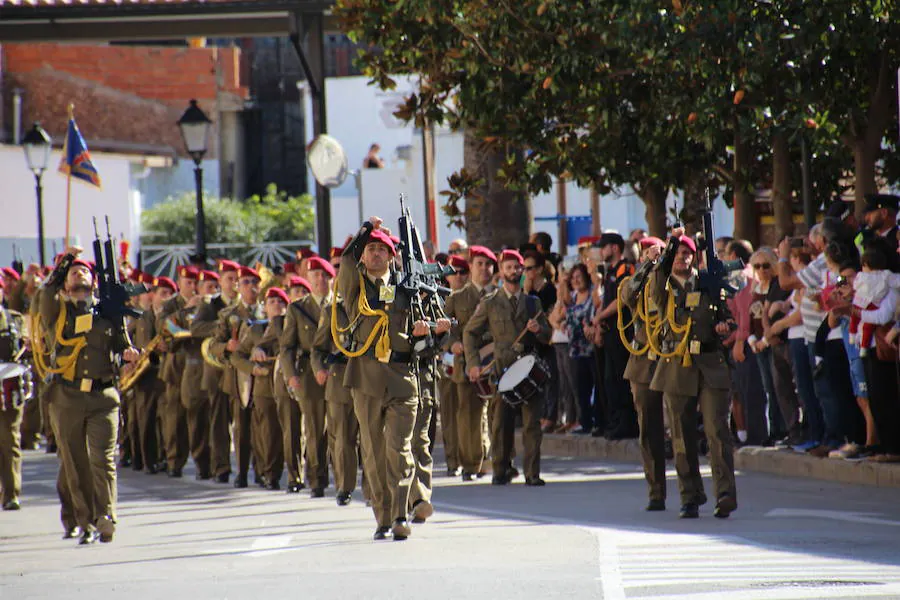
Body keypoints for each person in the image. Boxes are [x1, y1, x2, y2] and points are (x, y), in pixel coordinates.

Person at [336, 216, 450, 540]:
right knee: (372, 451)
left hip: (403, 377)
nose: (375, 254)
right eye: (370, 249)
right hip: (366, 378)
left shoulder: (409, 289)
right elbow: (346, 260)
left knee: (399, 450)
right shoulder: (354, 287)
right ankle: (383, 517)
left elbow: (429, 343)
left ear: (391, 256)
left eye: (381, 249)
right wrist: (365, 230)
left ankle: (401, 514)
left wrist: (432, 334)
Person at [39, 248, 140, 544]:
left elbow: (123, 345)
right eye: (73, 272)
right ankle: (84, 523)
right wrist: (66, 262)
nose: (78, 274)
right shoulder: (56, 310)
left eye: (84, 271)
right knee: (75, 462)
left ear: (94, 281)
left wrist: (128, 353)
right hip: (66, 397)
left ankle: (105, 516)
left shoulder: (109, 311)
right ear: (65, 283)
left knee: (103, 460)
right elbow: (46, 292)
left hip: (104, 396)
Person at [647, 231, 737, 519]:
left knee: (717, 429)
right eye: (677, 254)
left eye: (687, 253)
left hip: (710, 361)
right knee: (682, 435)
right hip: (677, 363)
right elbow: (659, 274)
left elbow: (725, 314)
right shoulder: (663, 286)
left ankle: (724, 493)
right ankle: (690, 496)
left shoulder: (708, 282)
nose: (682, 258)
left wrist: (725, 325)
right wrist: (673, 241)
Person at [464, 249, 551, 486]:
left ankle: (532, 473)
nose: (513, 271)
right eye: (509, 267)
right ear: (501, 272)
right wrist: (472, 363)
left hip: (529, 369)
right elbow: (470, 332)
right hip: (502, 370)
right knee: (501, 424)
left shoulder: (533, 303)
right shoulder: (490, 303)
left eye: (517, 267)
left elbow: (547, 335)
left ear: (522, 271)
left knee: (532, 424)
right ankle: (500, 469)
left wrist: (538, 330)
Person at [280, 256, 335, 498]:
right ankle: (317, 479)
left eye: (325, 276)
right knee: (314, 429)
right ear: (309, 279)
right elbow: (287, 346)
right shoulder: (298, 307)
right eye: (316, 276)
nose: (321, 280)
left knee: (341, 427)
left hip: (338, 370)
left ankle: (344, 476)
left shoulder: (341, 304)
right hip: (308, 374)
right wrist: (290, 374)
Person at [620, 236, 668, 510]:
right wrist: (647, 266)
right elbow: (628, 296)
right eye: (649, 253)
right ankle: (656, 491)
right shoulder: (635, 281)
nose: (654, 257)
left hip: (674, 357)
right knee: (649, 430)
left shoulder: (672, 279)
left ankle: (690, 493)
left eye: (659, 253)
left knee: (679, 429)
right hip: (643, 362)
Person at [206, 266, 262, 488]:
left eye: (255, 282)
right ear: (239, 286)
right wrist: (226, 346)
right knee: (240, 426)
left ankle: (261, 469)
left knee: (262, 426)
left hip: (261, 376)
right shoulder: (228, 315)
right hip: (237, 377)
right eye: (246, 282)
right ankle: (241, 471)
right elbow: (213, 345)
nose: (251, 287)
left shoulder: (266, 313)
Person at [443, 246, 496, 481]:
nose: (484, 269)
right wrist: (451, 344)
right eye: (479, 264)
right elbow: (444, 330)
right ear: (471, 266)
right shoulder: (457, 298)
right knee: (468, 416)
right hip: (466, 364)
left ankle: (494, 459)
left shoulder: (500, 297)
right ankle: (470, 464)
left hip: (495, 363)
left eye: (488, 265)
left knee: (496, 414)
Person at [189, 259, 241, 483]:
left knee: (241, 420)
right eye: (229, 279)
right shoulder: (211, 304)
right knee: (218, 419)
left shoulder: (245, 304)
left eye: (236, 279)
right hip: (216, 369)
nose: (234, 283)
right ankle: (221, 467)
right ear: (221, 281)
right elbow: (195, 328)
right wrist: (223, 326)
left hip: (239, 369)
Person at [233, 287, 289, 489]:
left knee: (286, 432)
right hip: (263, 388)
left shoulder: (289, 326)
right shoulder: (256, 329)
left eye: (281, 302)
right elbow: (237, 356)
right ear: (264, 307)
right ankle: (268, 473)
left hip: (286, 386)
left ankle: (279, 472)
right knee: (266, 432)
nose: (277, 305)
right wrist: (253, 368)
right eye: (272, 302)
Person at [312, 290, 361, 505]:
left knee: (372, 439)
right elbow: (318, 347)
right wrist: (318, 368)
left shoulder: (373, 300)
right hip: (340, 379)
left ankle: (373, 487)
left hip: (370, 378)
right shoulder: (332, 310)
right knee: (343, 438)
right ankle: (345, 486)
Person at [265, 275, 310, 494]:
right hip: (286, 379)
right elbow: (261, 344)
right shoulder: (279, 322)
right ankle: (295, 476)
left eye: (303, 291)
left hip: (310, 377)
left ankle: (316, 473)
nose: (299, 295)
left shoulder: (316, 314)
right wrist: (257, 351)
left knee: (314, 429)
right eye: (295, 292)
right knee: (292, 430)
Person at [594, 232, 638, 439]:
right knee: (610, 380)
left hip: (623, 331)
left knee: (621, 379)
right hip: (610, 331)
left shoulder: (625, 268)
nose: (601, 251)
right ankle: (615, 421)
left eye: (604, 247)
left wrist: (600, 316)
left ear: (614, 248)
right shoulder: (609, 271)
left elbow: (622, 297)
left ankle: (627, 423)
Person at [436, 255, 470, 476]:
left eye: (462, 272)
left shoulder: (473, 298)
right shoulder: (436, 298)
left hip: (469, 361)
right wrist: (450, 345)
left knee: (469, 414)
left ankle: (472, 458)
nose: (457, 276)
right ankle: (452, 461)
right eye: (453, 272)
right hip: (447, 362)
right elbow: (435, 329)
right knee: (449, 414)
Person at [0, 277, 28, 511]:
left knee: (10, 442)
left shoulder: (15, 319)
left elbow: (28, 349)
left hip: (9, 389)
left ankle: (11, 493)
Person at [558, 263, 596, 434]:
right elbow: (557, 313)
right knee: (580, 389)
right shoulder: (572, 297)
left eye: (579, 276)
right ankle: (585, 421)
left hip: (591, 348)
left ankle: (597, 421)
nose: (576, 280)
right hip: (575, 349)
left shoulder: (592, 295)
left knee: (596, 387)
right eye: (573, 278)